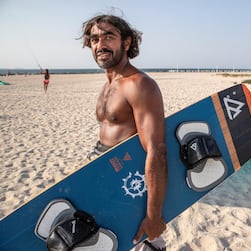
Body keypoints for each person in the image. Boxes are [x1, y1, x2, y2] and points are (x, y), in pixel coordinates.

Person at [80, 14, 168, 251]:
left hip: (130, 186)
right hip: (105, 177)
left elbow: (157, 151)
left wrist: (153, 216)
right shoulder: (108, 85)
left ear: (126, 43)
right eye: (95, 39)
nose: (100, 45)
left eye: (109, 37)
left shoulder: (139, 84)